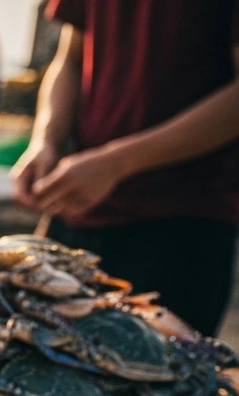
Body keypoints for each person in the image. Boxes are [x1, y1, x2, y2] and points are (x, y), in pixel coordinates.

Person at [13, 0, 239, 337]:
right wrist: (46, 140)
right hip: (74, 211)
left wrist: (118, 163)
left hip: (181, 227)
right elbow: (70, 59)